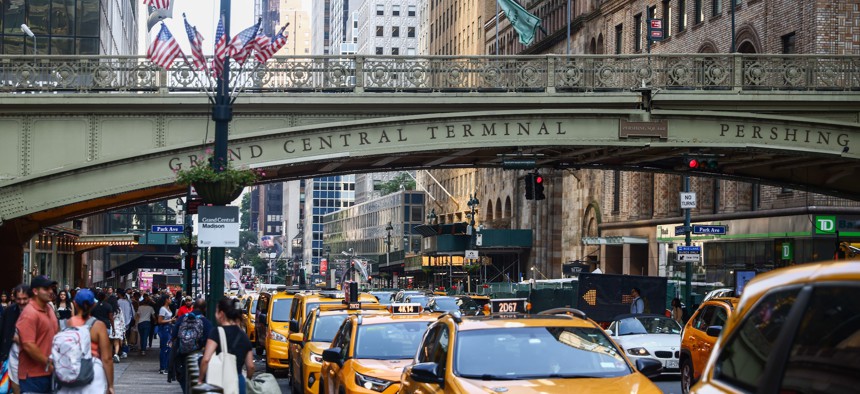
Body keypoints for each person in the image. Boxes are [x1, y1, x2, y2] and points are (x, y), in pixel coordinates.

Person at [57, 289, 115, 394]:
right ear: (93, 305)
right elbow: (107, 358)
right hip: (92, 371)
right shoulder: (98, 326)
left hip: (67, 371)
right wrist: (110, 385)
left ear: (74, 303)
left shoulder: (63, 325)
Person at [198, 298, 254, 394]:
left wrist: (200, 379)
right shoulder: (243, 335)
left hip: (221, 382)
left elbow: (206, 359)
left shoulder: (216, 332)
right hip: (239, 382)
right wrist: (247, 380)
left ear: (221, 314)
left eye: (216, 311)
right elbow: (251, 366)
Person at [16, 276, 59, 393]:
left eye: (51, 288)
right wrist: (47, 362)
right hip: (33, 377)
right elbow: (28, 345)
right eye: (46, 288)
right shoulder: (29, 313)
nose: (50, 291)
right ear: (35, 291)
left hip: (50, 374)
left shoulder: (49, 308)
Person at [170, 299, 212, 393]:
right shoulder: (205, 322)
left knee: (183, 376)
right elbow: (208, 339)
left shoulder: (182, 318)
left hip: (181, 353)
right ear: (205, 309)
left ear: (193, 306)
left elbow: (174, 335)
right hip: (197, 354)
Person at [1, 285, 30, 394]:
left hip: (31, 357)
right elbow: (3, 332)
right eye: (19, 299)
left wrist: (21, 339)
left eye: (24, 299)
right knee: (14, 384)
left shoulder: (38, 312)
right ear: (14, 298)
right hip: (13, 355)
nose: (21, 302)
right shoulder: (9, 311)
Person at [157, 295, 177, 374]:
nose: (171, 300)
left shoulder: (168, 308)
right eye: (170, 299)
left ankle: (166, 366)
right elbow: (160, 321)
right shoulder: (162, 309)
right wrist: (170, 320)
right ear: (166, 300)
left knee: (168, 348)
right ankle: (163, 367)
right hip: (164, 329)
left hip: (168, 328)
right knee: (165, 348)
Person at [107, 295, 125, 364]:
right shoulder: (119, 309)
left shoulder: (108, 309)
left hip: (110, 326)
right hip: (117, 326)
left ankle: (111, 355)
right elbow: (122, 319)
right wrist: (123, 329)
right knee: (116, 342)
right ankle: (116, 354)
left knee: (110, 342)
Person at [117, 291, 133, 358]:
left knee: (118, 337)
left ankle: (118, 351)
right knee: (126, 337)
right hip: (127, 322)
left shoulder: (117, 302)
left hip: (118, 323)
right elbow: (132, 313)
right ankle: (124, 351)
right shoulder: (128, 303)